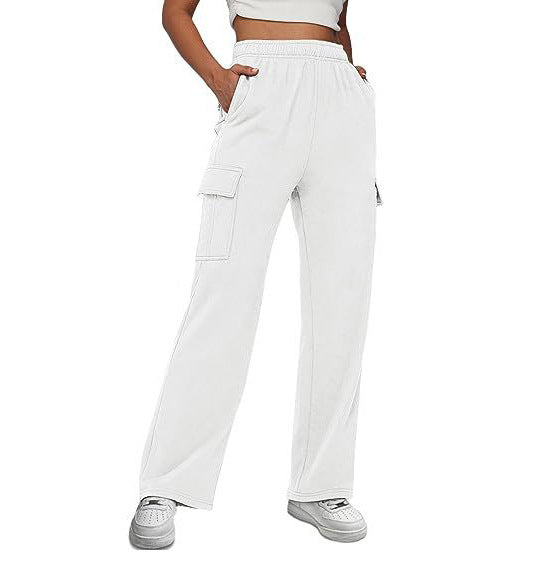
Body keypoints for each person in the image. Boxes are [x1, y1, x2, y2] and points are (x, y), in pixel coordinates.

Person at [129, 0, 378, 547]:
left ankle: (322, 485)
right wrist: (218, 80)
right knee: (224, 295)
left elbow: (339, 22)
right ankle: (167, 483)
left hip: (340, 100)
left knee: (342, 299)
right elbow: (175, 12)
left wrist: (347, 76)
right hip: (261, 88)